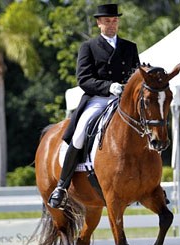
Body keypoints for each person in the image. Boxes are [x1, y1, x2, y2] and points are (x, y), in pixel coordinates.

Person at [48, 3, 140, 209]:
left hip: (124, 100)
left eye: (114, 20)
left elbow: (136, 75)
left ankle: (150, 184)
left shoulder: (129, 47)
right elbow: (84, 79)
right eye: (107, 21)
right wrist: (109, 87)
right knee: (81, 132)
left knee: (146, 128)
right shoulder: (88, 47)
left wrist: (128, 89)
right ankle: (62, 186)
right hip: (98, 98)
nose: (111, 24)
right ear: (99, 23)